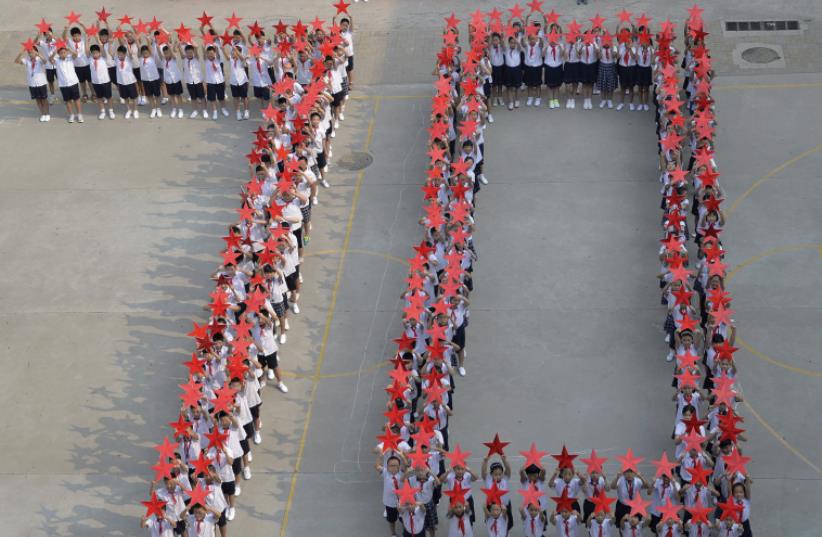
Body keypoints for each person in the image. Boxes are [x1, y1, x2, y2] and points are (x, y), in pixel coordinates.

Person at [48, 42, 83, 122]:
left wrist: (68, 48)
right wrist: (55, 50)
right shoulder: (57, 60)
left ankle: (79, 114)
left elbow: (76, 54)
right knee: (67, 101)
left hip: (73, 83)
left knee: (76, 99)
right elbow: (50, 59)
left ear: (67, 52)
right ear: (58, 54)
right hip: (63, 85)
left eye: (64, 52)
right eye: (61, 53)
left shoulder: (70, 58)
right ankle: (71, 115)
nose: (63, 54)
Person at [15, 46, 50, 121]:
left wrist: (38, 54)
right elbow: (17, 61)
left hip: (41, 82)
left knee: (44, 99)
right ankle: (43, 114)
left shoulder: (39, 59)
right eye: (29, 53)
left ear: (36, 52)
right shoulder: (27, 60)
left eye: (32, 52)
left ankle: (47, 114)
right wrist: (20, 53)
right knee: (38, 100)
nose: (31, 54)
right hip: (32, 83)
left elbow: (45, 61)